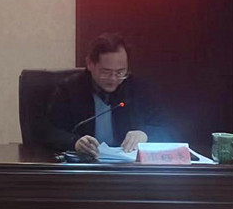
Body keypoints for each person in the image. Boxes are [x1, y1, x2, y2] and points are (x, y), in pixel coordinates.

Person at [39, 33, 170, 157]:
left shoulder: (140, 89)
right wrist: (74, 142)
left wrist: (145, 133)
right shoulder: (69, 90)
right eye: (106, 72)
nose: (113, 79)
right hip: (85, 165)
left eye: (120, 72)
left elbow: (165, 127)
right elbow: (48, 132)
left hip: (128, 166)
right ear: (90, 64)